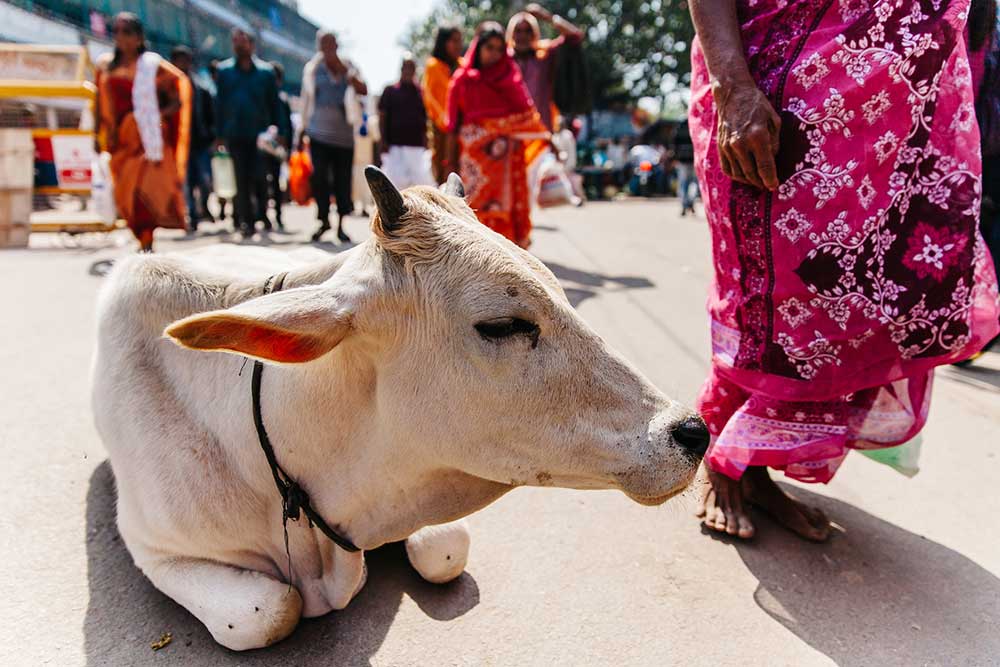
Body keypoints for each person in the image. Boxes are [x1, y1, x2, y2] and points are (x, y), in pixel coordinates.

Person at [688, 0, 1000, 541]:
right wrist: (733, 87)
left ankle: (753, 459)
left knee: (865, 294)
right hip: (772, 82)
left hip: (897, 112)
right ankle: (726, 459)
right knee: (769, 289)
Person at [445, 22, 549, 248]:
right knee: (470, 221)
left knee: (503, 231)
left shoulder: (510, 80)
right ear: (478, 47)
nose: (494, 54)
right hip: (473, 167)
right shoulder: (462, 81)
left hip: (505, 170)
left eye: (499, 49)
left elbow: (528, 117)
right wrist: (447, 164)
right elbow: (452, 127)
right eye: (489, 47)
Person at [94, 13, 190, 252]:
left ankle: (147, 240)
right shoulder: (105, 66)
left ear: (139, 37)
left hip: (149, 142)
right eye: (116, 31)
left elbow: (178, 97)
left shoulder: (153, 66)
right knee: (124, 195)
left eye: (127, 32)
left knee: (145, 194)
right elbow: (98, 102)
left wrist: (154, 116)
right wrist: (97, 134)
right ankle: (140, 237)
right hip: (120, 143)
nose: (120, 37)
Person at [214, 29, 286, 237]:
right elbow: (220, 104)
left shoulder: (265, 73)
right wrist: (219, 134)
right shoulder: (225, 71)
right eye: (235, 42)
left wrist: (279, 130)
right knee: (240, 179)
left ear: (252, 45)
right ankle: (246, 221)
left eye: (243, 42)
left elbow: (275, 104)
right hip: (234, 134)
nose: (239, 45)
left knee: (259, 178)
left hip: (260, 137)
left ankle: (261, 214)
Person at [299, 30, 368, 243]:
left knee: (342, 181)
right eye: (323, 45)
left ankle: (341, 225)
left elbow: (363, 90)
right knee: (319, 178)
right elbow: (306, 101)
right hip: (318, 134)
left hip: (344, 138)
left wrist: (346, 73)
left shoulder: (349, 66)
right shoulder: (313, 69)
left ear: (337, 46)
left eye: (331, 44)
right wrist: (302, 129)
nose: (327, 49)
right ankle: (323, 220)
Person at [506, 3, 583, 132]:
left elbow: (575, 36)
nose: (523, 36)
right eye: (518, 31)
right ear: (512, 34)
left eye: (528, 31)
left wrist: (547, 17)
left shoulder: (544, 55)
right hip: (511, 129)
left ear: (534, 33)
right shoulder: (504, 59)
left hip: (542, 127)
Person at [170, 45, 215, 232]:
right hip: (180, 144)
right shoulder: (169, 88)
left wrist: (213, 138)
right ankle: (192, 217)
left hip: (200, 142)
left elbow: (211, 115)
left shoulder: (200, 89)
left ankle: (203, 206)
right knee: (186, 182)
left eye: (185, 60)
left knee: (205, 180)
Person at [379, 56, 435, 189]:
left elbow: (426, 117)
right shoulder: (390, 91)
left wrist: (427, 140)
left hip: (416, 146)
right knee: (395, 183)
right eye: (406, 67)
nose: (409, 71)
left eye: (412, 67)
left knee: (421, 184)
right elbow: (383, 116)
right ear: (401, 69)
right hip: (395, 146)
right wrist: (383, 140)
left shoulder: (421, 92)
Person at [422, 25, 464, 183]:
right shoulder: (433, 66)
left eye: (460, 40)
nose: (458, 45)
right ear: (443, 42)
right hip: (442, 131)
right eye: (454, 41)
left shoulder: (462, 65)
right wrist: (451, 124)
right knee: (444, 176)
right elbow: (438, 101)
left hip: (462, 130)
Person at [266, 61, 293, 231]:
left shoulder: (282, 100)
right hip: (261, 146)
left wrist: (287, 146)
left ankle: (277, 214)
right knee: (260, 181)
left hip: (276, 148)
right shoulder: (261, 97)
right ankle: (262, 215)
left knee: (276, 181)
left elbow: (287, 126)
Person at [208, 59, 229, 224]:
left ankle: (236, 211)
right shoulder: (210, 94)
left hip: (230, 139)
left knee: (231, 176)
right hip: (215, 140)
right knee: (219, 176)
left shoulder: (229, 93)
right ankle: (221, 207)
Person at [671, 120, 697, 216]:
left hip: (682, 160)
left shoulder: (679, 126)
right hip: (694, 159)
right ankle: (690, 202)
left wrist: (674, 158)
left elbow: (674, 144)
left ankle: (684, 204)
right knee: (693, 183)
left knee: (683, 183)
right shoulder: (695, 124)